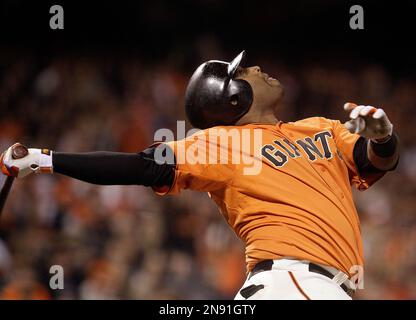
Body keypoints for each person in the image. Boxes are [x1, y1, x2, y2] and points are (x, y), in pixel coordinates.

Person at [0, 51, 400, 300]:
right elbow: (143, 164)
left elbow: (374, 162)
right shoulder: (222, 142)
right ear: (233, 98)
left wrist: (383, 139)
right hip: (294, 283)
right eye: (243, 73)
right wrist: (48, 159)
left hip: (310, 287)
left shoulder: (321, 127)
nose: (256, 68)